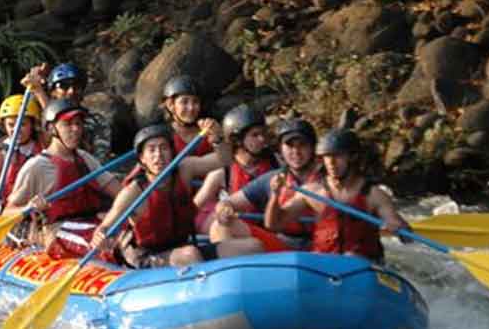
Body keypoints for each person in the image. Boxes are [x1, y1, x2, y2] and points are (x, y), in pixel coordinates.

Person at [96, 123, 247, 267]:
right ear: (142, 158)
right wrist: (101, 234)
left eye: (163, 148)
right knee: (190, 255)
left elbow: (225, 159)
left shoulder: (184, 169)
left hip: (181, 247)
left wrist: (218, 139)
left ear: (172, 152)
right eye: (151, 150)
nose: (159, 155)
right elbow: (107, 224)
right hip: (147, 257)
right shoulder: (133, 192)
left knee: (252, 246)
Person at [5, 99, 122, 258]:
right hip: (57, 230)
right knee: (103, 246)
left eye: (79, 124)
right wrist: (28, 207)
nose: (76, 130)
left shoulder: (84, 158)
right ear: (52, 129)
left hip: (90, 222)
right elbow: (6, 213)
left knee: (128, 234)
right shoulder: (37, 166)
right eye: (68, 124)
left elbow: (120, 193)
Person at [268, 128, 408, 259]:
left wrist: (398, 226)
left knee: (352, 257)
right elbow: (274, 225)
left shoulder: (374, 195)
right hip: (325, 265)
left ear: (353, 157)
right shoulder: (313, 192)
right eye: (326, 157)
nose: (331, 163)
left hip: (364, 266)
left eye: (338, 156)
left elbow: (407, 237)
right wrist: (275, 195)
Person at [212, 117, 324, 251]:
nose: (296, 152)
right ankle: (228, 269)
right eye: (290, 145)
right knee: (221, 225)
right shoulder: (272, 179)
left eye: (302, 145)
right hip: (282, 244)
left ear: (313, 148)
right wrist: (223, 210)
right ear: (281, 149)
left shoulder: (329, 179)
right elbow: (228, 202)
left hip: (321, 243)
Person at [191, 104, 277, 232]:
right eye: (255, 135)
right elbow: (193, 208)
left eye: (263, 133)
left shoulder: (275, 163)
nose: (262, 139)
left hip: (269, 232)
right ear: (237, 140)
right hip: (237, 233)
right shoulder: (221, 172)